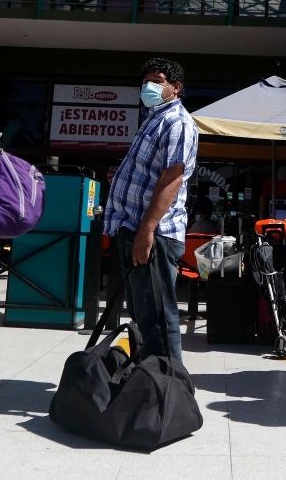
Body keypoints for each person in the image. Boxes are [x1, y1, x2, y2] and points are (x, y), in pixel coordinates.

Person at [103, 58, 199, 361]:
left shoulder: (178, 122)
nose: (149, 86)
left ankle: (168, 388)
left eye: (157, 80)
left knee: (158, 318)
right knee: (144, 316)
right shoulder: (154, 119)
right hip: (133, 228)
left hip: (153, 233)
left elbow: (172, 178)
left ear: (176, 87)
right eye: (145, 81)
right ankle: (148, 380)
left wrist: (146, 230)